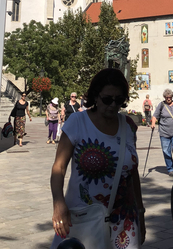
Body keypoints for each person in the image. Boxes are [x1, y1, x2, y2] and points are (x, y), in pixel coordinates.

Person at [51, 69, 145, 247]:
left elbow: (132, 173)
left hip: (124, 219)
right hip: (83, 217)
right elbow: (59, 167)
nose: (113, 105)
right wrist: (58, 202)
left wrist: (140, 212)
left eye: (119, 100)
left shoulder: (128, 126)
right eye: (107, 99)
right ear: (95, 96)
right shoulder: (78, 122)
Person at [151, 89, 173, 177]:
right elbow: (155, 115)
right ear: (164, 97)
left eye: (170, 97)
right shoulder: (161, 105)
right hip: (164, 132)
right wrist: (153, 123)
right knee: (166, 151)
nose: (168, 99)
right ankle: (170, 169)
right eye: (167, 97)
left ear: (172, 97)